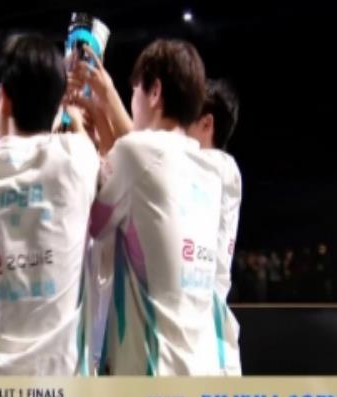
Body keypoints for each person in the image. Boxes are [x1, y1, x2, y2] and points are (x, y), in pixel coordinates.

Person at [0, 33, 99, 375]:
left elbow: (10, 151)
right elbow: (72, 141)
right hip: (63, 382)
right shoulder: (78, 157)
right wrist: (69, 109)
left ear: (2, 96)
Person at [87, 39, 231, 375]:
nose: (132, 102)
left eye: (134, 91)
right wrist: (103, 112)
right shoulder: (212, 170)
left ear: (154, 92)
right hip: (203, 369)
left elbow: (93, 223)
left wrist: (82, 129)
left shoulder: (136, 154)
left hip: (153, 379)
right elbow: (137, 180)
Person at [187, 78, 242, 374]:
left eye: (186, 118)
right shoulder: (213, 169)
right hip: (199, 327)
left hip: (209, 333)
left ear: (207, 123)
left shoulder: (221, 167)